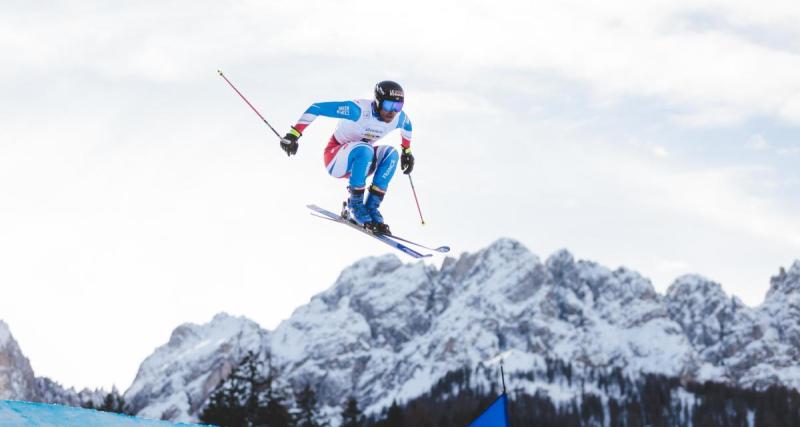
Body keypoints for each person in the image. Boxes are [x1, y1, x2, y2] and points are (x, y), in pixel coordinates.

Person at [279, 80, 414, 235]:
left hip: (363, 163)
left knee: (391, 155)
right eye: (389, 105)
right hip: (335, 159)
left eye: (398, 107)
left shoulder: (398, 118)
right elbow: (317, 108)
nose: (393, 112)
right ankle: (355, 206)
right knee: (365, 149)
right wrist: (294, 134)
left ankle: (371, 208)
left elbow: (407, 127)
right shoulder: (356, 110)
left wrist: (406, 152)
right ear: (378, 101)